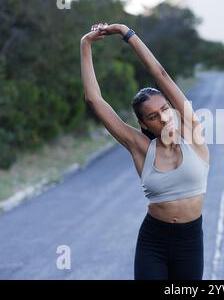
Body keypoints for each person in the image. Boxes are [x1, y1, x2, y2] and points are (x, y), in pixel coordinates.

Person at [80, 23, 210, 280]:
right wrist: (85, 44)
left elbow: (160, 74)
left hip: (190, 242)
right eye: (153, 116)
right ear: (143, 124)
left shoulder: (192, 132)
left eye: (165, 108)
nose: (163, 117)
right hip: (154, 242)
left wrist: (127, 33)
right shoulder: (140, 147)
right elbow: (94, 100)